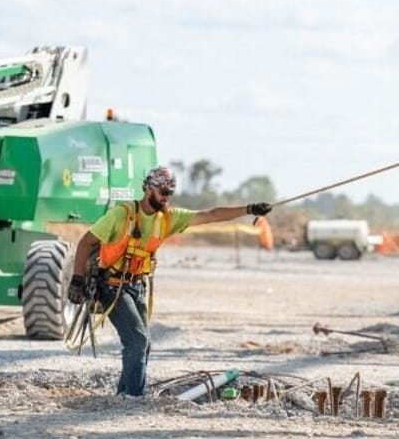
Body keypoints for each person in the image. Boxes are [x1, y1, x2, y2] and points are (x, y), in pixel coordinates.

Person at [66, 166, 273, 397]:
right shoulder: (122, 215)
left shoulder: (168, 218)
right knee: (137, 341)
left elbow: (211, 214)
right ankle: (133, 398)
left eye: (170, 192)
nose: (166, 197)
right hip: (112, 285)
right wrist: (77, 279)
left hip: (137, 286)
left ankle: (125, 395)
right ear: (149, 189)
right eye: (163, 191)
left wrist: (248, 209)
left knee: (143, 345)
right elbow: (85, 242)